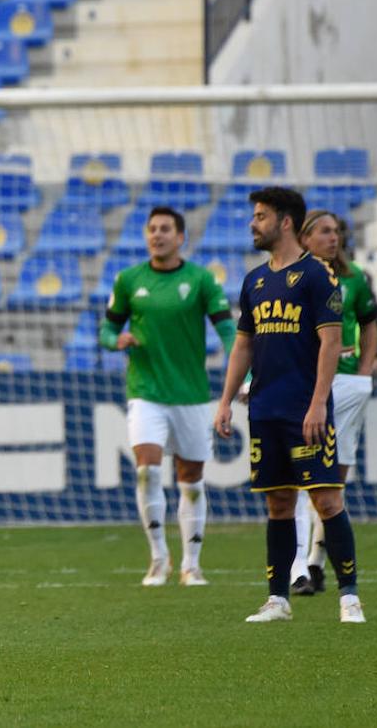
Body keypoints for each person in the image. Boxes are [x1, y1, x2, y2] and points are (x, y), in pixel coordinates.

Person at [214, 187, 364, 624]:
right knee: (278, 504)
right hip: (265, 410)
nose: (252, 223)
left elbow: (331, 342)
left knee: (327, 501)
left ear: (283, 222)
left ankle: (349, 597)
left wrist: (319, 404)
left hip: (306, 413)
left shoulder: (318, 276)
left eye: (260, 216)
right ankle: (278, 599)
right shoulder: (254, 281)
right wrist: (225, 401)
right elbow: (243, 345)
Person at [99, 206, 235, 587]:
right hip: (145, 391)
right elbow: (106, 332)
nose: (156, 235)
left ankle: (191, 564)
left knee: (191, 478)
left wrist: (242, 370)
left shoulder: (201, 280)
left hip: (191, 394)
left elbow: (228, 331)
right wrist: (117, 340)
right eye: (151, 229)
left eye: (165, 229)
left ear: (180, 237)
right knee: (147, 469)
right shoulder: (128, 280)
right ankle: (159, 558)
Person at [289, 211, 377, 596]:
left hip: (345, 387)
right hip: (306, 386)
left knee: (332, 483)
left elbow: (370, 323)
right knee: (299, 477)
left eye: (337, 231)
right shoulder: (292, 278)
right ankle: (300, 567)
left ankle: (315, 560)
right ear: (305, 237)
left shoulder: (354, 278)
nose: (334, 238)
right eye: (325, 231)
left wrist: (363, 371)